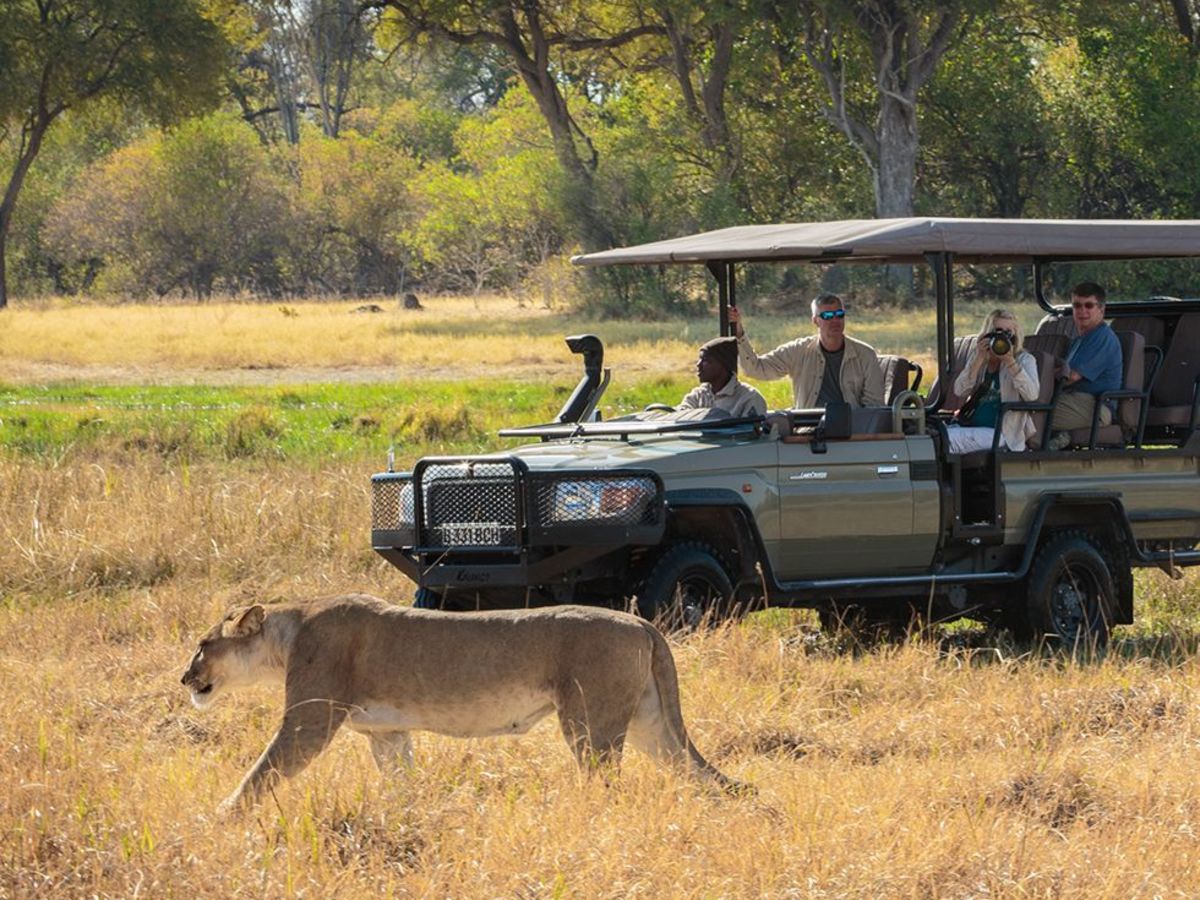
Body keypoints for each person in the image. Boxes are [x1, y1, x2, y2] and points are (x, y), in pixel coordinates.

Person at [729, 293, 885, 409]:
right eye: (827, 316)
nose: (835, 321)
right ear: (815, 321)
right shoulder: (798, 351)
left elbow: (874, 406)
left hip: (852, 433)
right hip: (807, 432)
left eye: (839, 315)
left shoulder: (865, 355)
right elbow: (756, 369)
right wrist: (738, 330)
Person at [946, 309, 1040, 453]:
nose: (1003, 336)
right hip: (971, 426)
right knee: (934, 436)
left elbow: (1032, 395)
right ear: (989, 333)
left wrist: (1010, 362)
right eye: (998, 331)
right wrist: (978, 359)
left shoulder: (1025, 360)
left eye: (1008, 332)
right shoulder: (981, 358)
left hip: (1002, 435)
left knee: (947, 439)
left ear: (1015, 335)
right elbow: (959, 390)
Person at [1045, 282, 1123, 450]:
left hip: (1096, 406)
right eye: (1077, 305)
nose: (1082, 311)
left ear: (1101, 309)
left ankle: (1038, 451)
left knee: (1031, 410)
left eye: (1089, 305)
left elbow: (1071, 376)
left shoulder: (1102, 337)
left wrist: (1042, 380)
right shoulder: (1080, 340)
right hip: (1075, 400)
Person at [677, 336, 767, 417]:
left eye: (705, 360)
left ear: (723, 365)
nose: (698, 365)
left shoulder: (749, 398)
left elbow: (751, 433)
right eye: (699, 359)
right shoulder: (698, 395)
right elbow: (680, 416)